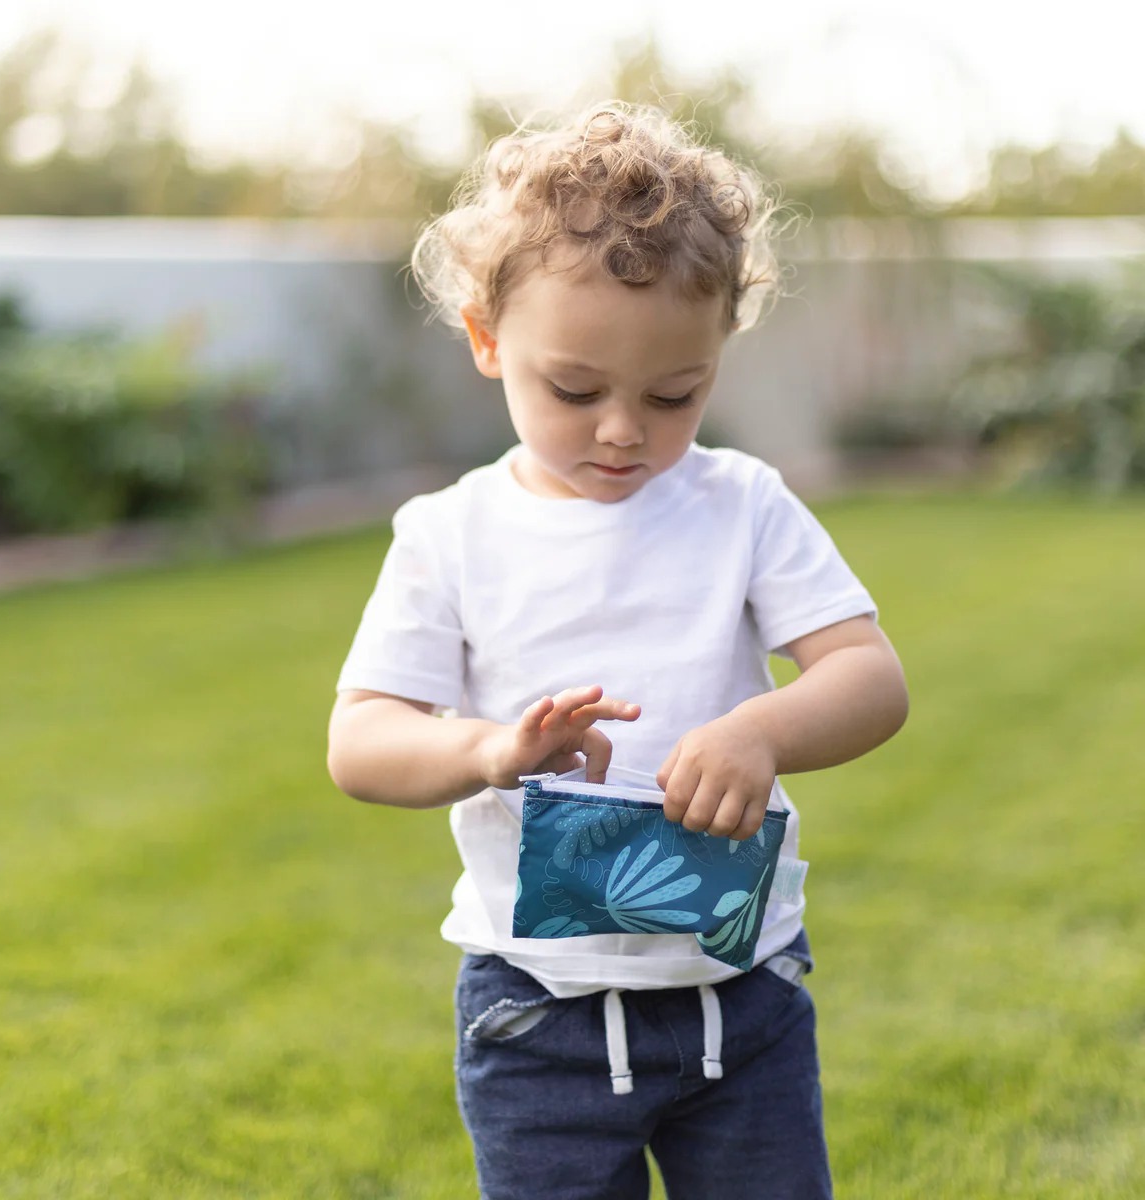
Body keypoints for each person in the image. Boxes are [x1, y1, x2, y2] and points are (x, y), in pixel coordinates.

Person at [327, 102, 909, 1200]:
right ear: (487, 338)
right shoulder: (450, 534)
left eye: (675, 394)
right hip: (536, 1009)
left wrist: (761, 730)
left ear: (718, 356)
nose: (623, 430)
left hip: (740, 998)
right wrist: (494, 751)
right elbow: (361, 744)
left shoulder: (743, 505)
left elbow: (872, 680)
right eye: (576, 390)